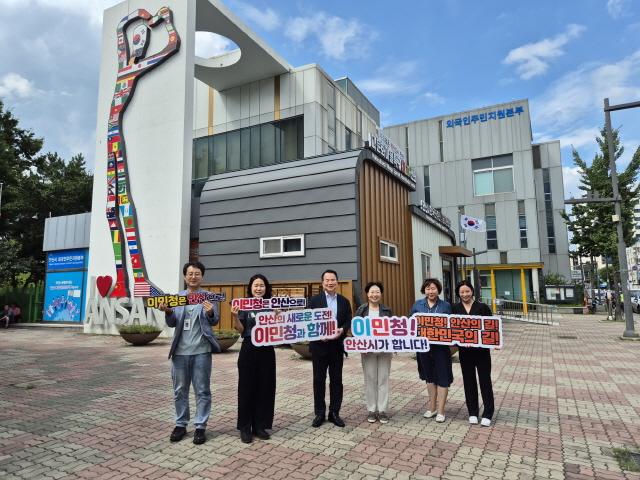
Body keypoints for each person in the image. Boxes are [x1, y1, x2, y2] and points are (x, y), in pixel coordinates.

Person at [105, 7, 180, 297]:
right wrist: (140, 14)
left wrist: (168, 23)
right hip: (111, 137)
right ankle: (121, 279)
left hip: (116, 140)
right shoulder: (123, 61)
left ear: (146, 44)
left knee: (123, 205)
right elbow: (118, 30)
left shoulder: (139, 66)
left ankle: (137, 277)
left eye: (142, 38)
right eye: (135, 37)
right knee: (110, 208)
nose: (137, 41)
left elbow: (173, 45)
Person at [159, 261, 220, 445]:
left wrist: (210, 313)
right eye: (190, 274)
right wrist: (168, 311)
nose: (193, 277)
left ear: (202, 276)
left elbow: (215, 320)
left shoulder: (209, 297)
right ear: (185, 276)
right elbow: (171, 323)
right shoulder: (177, 298)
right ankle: (181, 424)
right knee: (180, 390)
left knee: (202, 390)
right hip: (180, 352)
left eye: (197, 274)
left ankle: (200, 426)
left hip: (201, 351)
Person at [231, 274, 276, 444]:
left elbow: (279, 330)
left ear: (266, 288)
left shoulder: (272, 305)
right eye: (256, 285)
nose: (259, 288)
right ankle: (245, 427)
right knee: (246, 388)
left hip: (267, 349)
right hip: (249, 348)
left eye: (262, 285)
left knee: (265, 387)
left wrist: (279, 317)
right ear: (250, 288)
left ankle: (260, 426)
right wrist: (235, 316)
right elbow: (240, 329)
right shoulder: (244, 305)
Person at [308, 269, 352, 428]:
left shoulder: (344, 301)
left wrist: (343, 330)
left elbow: (348, 319)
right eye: (327, 280)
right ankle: (319, 413)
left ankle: (334, 412)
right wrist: (318, 334)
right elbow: (308, 322)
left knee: (336, 380)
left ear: (337, 282)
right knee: (318, 380)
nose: (330, 283)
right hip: (319, 347)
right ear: (322, 283)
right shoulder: (314, 301)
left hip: (336, 347)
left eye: (333, 280)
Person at [452, 280, 495, 427]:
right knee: (468, 381)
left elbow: (491, 328)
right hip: (465, 352)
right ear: (458, 293)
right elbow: (452, 330)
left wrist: (495, 342)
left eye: (467, 291)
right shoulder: (455, 308)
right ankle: (472, 412)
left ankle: (488, 413)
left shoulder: (483, 307)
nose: (465, 294)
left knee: (485, 381)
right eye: (462, 292)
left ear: (472, 291)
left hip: (482, 352)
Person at [410, 278, 452, 423]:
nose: (431, 291)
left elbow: (452, 327)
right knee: (429, 378)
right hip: (423, 348)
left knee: (443, 377)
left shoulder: (446, 306)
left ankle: (441, 411)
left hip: (441, 349)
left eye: (433, 288)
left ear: (438, 290)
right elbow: (411, 325)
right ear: (424, 290)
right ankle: (432, 408)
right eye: (428, 288)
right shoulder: (417, 305)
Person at [354, 282, 393, 424]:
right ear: (367, 294)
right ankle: (371, 409)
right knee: (370, 379)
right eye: (371, 292)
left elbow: (393, 330)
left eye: (377, 292)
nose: (374, 294)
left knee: (383, 379)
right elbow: (355, 329)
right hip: (367, 351)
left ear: (381, 294)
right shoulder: (361, 310)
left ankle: (382, 410)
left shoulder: (387, 310)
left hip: (384, 351)